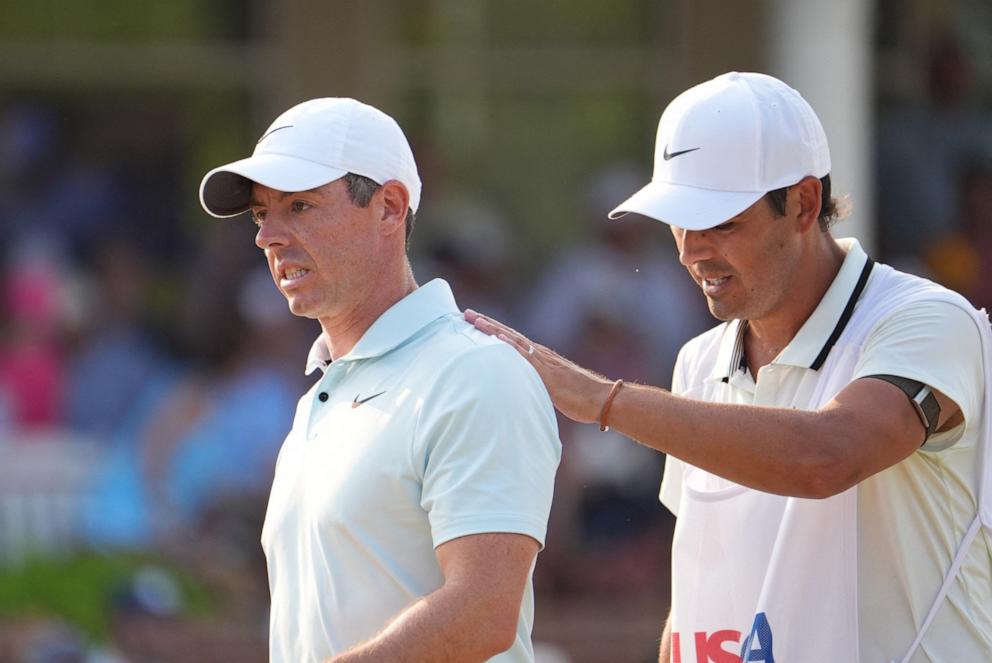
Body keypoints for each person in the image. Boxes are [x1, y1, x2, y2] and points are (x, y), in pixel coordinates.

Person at [466, 72, 992, 662]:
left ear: (804, 204)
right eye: (678, 221)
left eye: (721, 222)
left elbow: (826, 457)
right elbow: (699, 586)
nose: (691, 250)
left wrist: (601, 400)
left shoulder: (929, 321)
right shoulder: (699, 360)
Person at [198, 98, 560, 663]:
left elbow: (484, 612)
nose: (267, 235)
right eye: (260, 213)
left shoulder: (476, 372)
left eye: (299, 205)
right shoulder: (324, 393)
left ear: (390, 208)